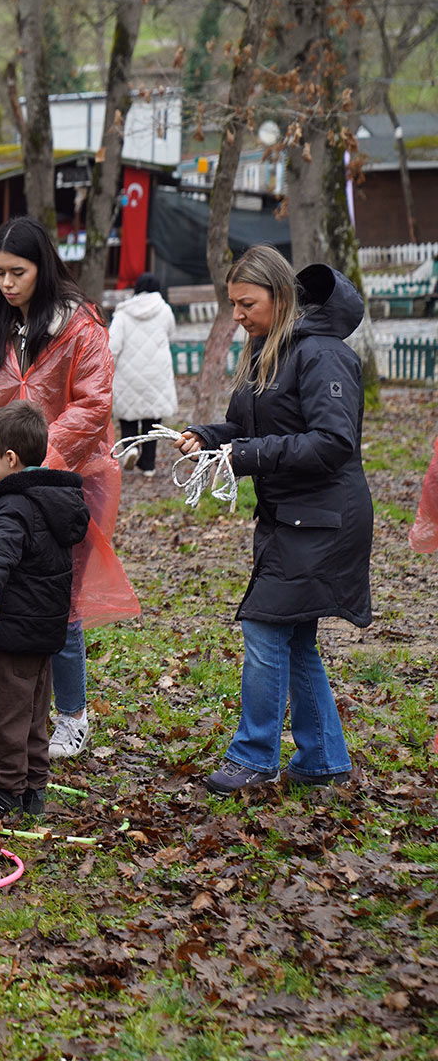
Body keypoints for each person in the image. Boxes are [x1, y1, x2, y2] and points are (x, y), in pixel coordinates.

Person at [176, 250, 371, 795]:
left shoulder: (323, 354)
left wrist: (246, 456)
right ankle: (323, 762)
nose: (236, 314)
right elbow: (247, 424)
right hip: (291, 518)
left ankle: (253, 757)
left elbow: (333, 442)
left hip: (327, 519)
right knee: (295, 640)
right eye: (232, 303)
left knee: (264, 626)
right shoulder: (269, 350)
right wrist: (209, 437)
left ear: (280, 298)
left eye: (246, 303)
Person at [0, 215, 139, 761]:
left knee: (61, 598)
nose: (7, 284)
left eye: (18, 272)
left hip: (74, 484)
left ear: (43, 268)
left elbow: (93, 405)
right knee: (8, 592)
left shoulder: (79, 327)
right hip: (5, 480)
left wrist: (37, 464)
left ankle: (72, 716)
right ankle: (21, 711)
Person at [0, 401, 90, 819]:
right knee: (35, 713)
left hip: (11, 632)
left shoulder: (14, 505)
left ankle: (5, 793)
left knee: (1, 712)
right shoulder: (57, 501)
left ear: (10, 458)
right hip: (45, 631)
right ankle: (33, 789)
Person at [108, 273, 178, 476]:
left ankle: (130, 448)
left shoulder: (123, 313)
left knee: (128, 415)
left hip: (128, 374)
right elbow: (171, 332)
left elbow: (113, 346)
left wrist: (108, 369)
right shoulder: (164, 310)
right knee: (152, 421)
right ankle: (148, 465)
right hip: (156, 373)